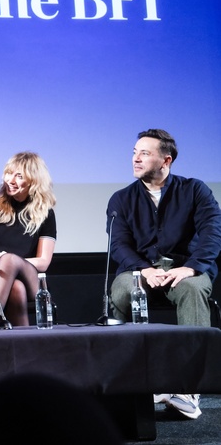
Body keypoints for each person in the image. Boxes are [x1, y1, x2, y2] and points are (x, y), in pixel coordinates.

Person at [107, 128, 221, 420]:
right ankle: (124, 383)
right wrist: (144, 269)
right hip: (140, 268)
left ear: (165, 160)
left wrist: (191, 267)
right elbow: (118, 245)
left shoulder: (195, 190)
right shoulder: (121, 199)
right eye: (134, 153)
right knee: (122, 290)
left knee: (193, 289)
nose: (135, 159)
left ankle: (189, 389)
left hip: (184, 267)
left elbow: (212, 233)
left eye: (144, 153)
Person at [0, 152, 56, 328]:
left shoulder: (45, 213)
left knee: (8, 260)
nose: (11, 180)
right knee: (16, 288)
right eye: (9, 173)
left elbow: (44, 262)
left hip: (30, 278)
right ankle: (25, 343)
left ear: (34, 180)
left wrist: (9, 261)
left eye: (19, 176)